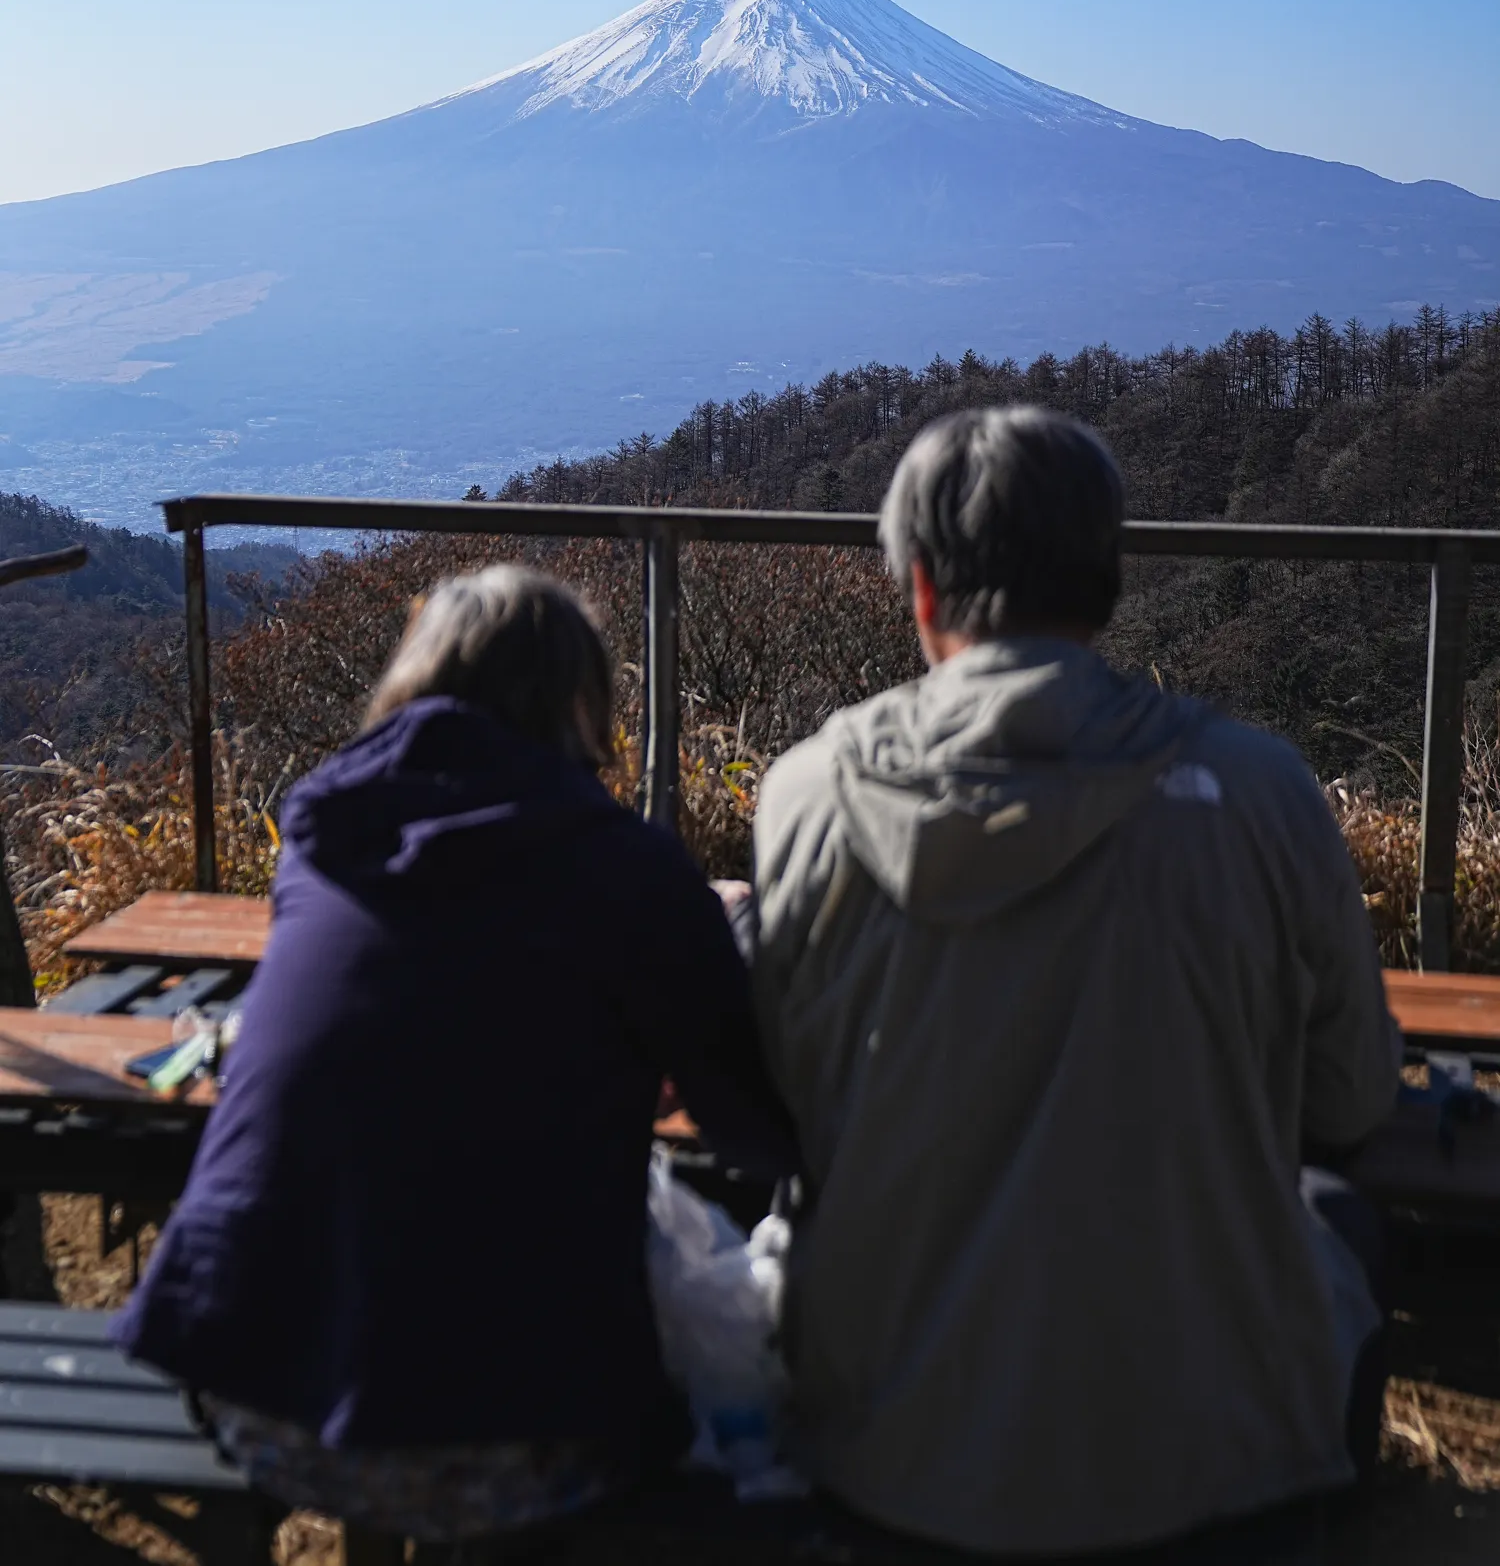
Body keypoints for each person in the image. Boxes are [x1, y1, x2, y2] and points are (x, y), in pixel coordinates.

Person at [752, 407, 1400, 1558]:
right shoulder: (1261, 792)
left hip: (885, 1456)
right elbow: (1350, 1106)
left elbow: (780, 1106)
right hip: (1208, 1465)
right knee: (1341, 1215)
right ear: (1107, 583)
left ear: (920, 592)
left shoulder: (806, 795)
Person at [116, 565, 793, 1546]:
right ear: (580, 699)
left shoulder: (323, 839)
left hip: (253, 1395)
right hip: (519, 1442)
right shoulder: (625, 868)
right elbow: (752, 1128)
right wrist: (710, 935)